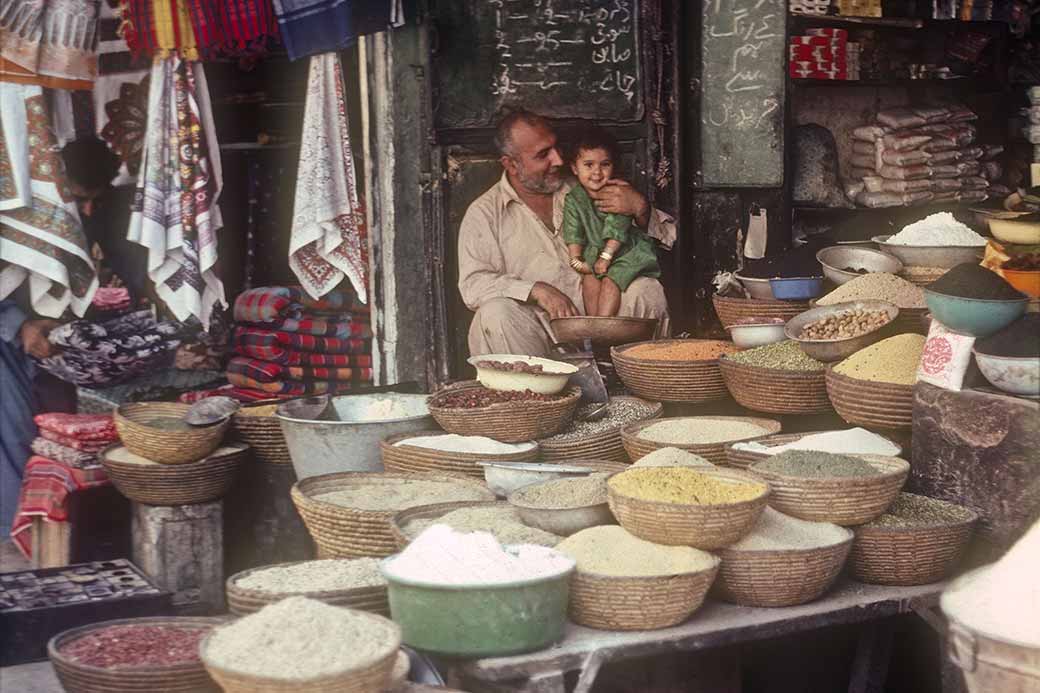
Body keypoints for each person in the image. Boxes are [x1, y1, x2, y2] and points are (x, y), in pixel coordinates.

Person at [458, 110, 674, 357]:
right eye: (543, 155)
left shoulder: (583, 187)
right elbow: (473, 285)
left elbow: (661, 238)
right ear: (511, 164)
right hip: (538, 332)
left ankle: (643, 383)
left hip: (603, 317)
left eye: (556, 148)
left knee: (647, 289)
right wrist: (536, 290)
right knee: (494, 313)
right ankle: (534, 393)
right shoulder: (484, 213)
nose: (559, 160)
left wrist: (640, 208)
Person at [563, 128, 661, 317]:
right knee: (589, 279)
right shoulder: (574, 198)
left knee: (610, 281)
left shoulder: (616, 192)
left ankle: (605, 326)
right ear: (575, 168)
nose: (597, 173)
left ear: (613, 167)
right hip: (597, 251)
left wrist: (606, 257)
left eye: (605, 165)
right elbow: (572, 229)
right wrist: (576, 258)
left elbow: (617, 228)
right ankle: (594, 329)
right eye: (588, 165)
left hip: (626, 251)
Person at [61, 138, 150, 305]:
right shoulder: (50, 212)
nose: (88, 210)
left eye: (97, 200)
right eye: (79, 200)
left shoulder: (120, 205)